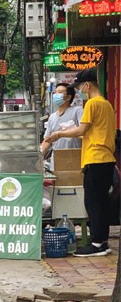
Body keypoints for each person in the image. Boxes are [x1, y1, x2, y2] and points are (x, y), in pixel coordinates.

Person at [44, 68, 116, 257]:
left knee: (93, 203)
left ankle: (97, 243)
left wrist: (58, 134)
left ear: (87, 84)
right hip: (106, 159)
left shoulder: (92, 104)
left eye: (80, 86)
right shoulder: (106, 104)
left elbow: (81, 130)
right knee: (101, 203)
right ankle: (102, 241)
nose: (80, 90)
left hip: (96, 158)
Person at [41, 83, 82, 165]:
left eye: (60, 92)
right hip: (57, 159)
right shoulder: (52, 117)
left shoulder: (77, 111)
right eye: (55, 92)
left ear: (68, 97)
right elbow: (47, 141)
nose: (56, 95)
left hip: (76, 157)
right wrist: (40, 154)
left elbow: (83, 130)